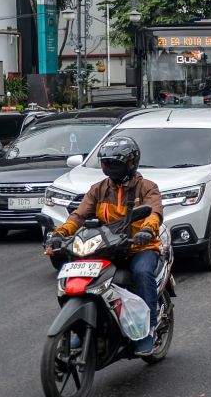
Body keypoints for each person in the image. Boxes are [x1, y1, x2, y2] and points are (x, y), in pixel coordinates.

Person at [48, 136, 163, 355]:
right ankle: (82, 329)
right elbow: (79, 216)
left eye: (116, 163)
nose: (110, 168)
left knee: (141, 273)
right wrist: (59, 234)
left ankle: (148, 330)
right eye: (106, 163)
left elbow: (155, 212)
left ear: (131, 163)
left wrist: (146, 231)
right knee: (76, 279)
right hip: (107, 248)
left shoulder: (147, 188)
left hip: (139, 248)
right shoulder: (98, 189)